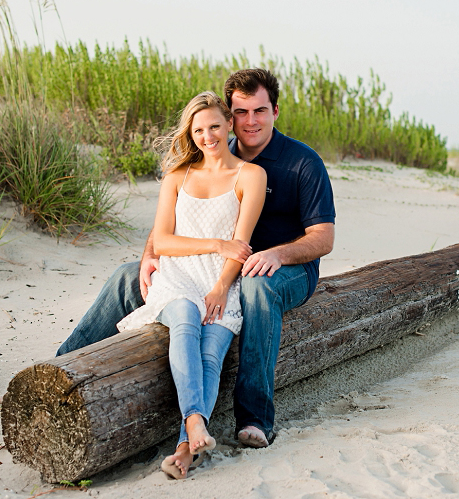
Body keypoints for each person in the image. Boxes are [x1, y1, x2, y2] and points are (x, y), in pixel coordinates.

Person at [57, 68, 336, 450]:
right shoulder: (217, 150)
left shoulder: (302, 162)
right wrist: (148, 256)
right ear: (229, 116)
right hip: (208, 267)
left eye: (259, 111)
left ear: (275, 111)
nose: (250, 121)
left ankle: (255, 416)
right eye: (241, 112)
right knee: (126, 276)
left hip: (286, 269)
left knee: (256, 287)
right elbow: (173, 221)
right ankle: (61, 365)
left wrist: (277, 253)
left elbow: (324, 238)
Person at [116, 91, 267, 479]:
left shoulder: (251, 175)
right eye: (198, 129)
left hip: (222, 281)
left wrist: (219, 287)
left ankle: (185, 447)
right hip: (179, 274)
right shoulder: (177, 176)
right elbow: (163, 241)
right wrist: (216, 244)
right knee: (184, 317)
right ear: (190, 132)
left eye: (214, 126)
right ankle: (195, 422)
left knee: (211, 354)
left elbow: (242, 243)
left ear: (229, 124)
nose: (207, 136)